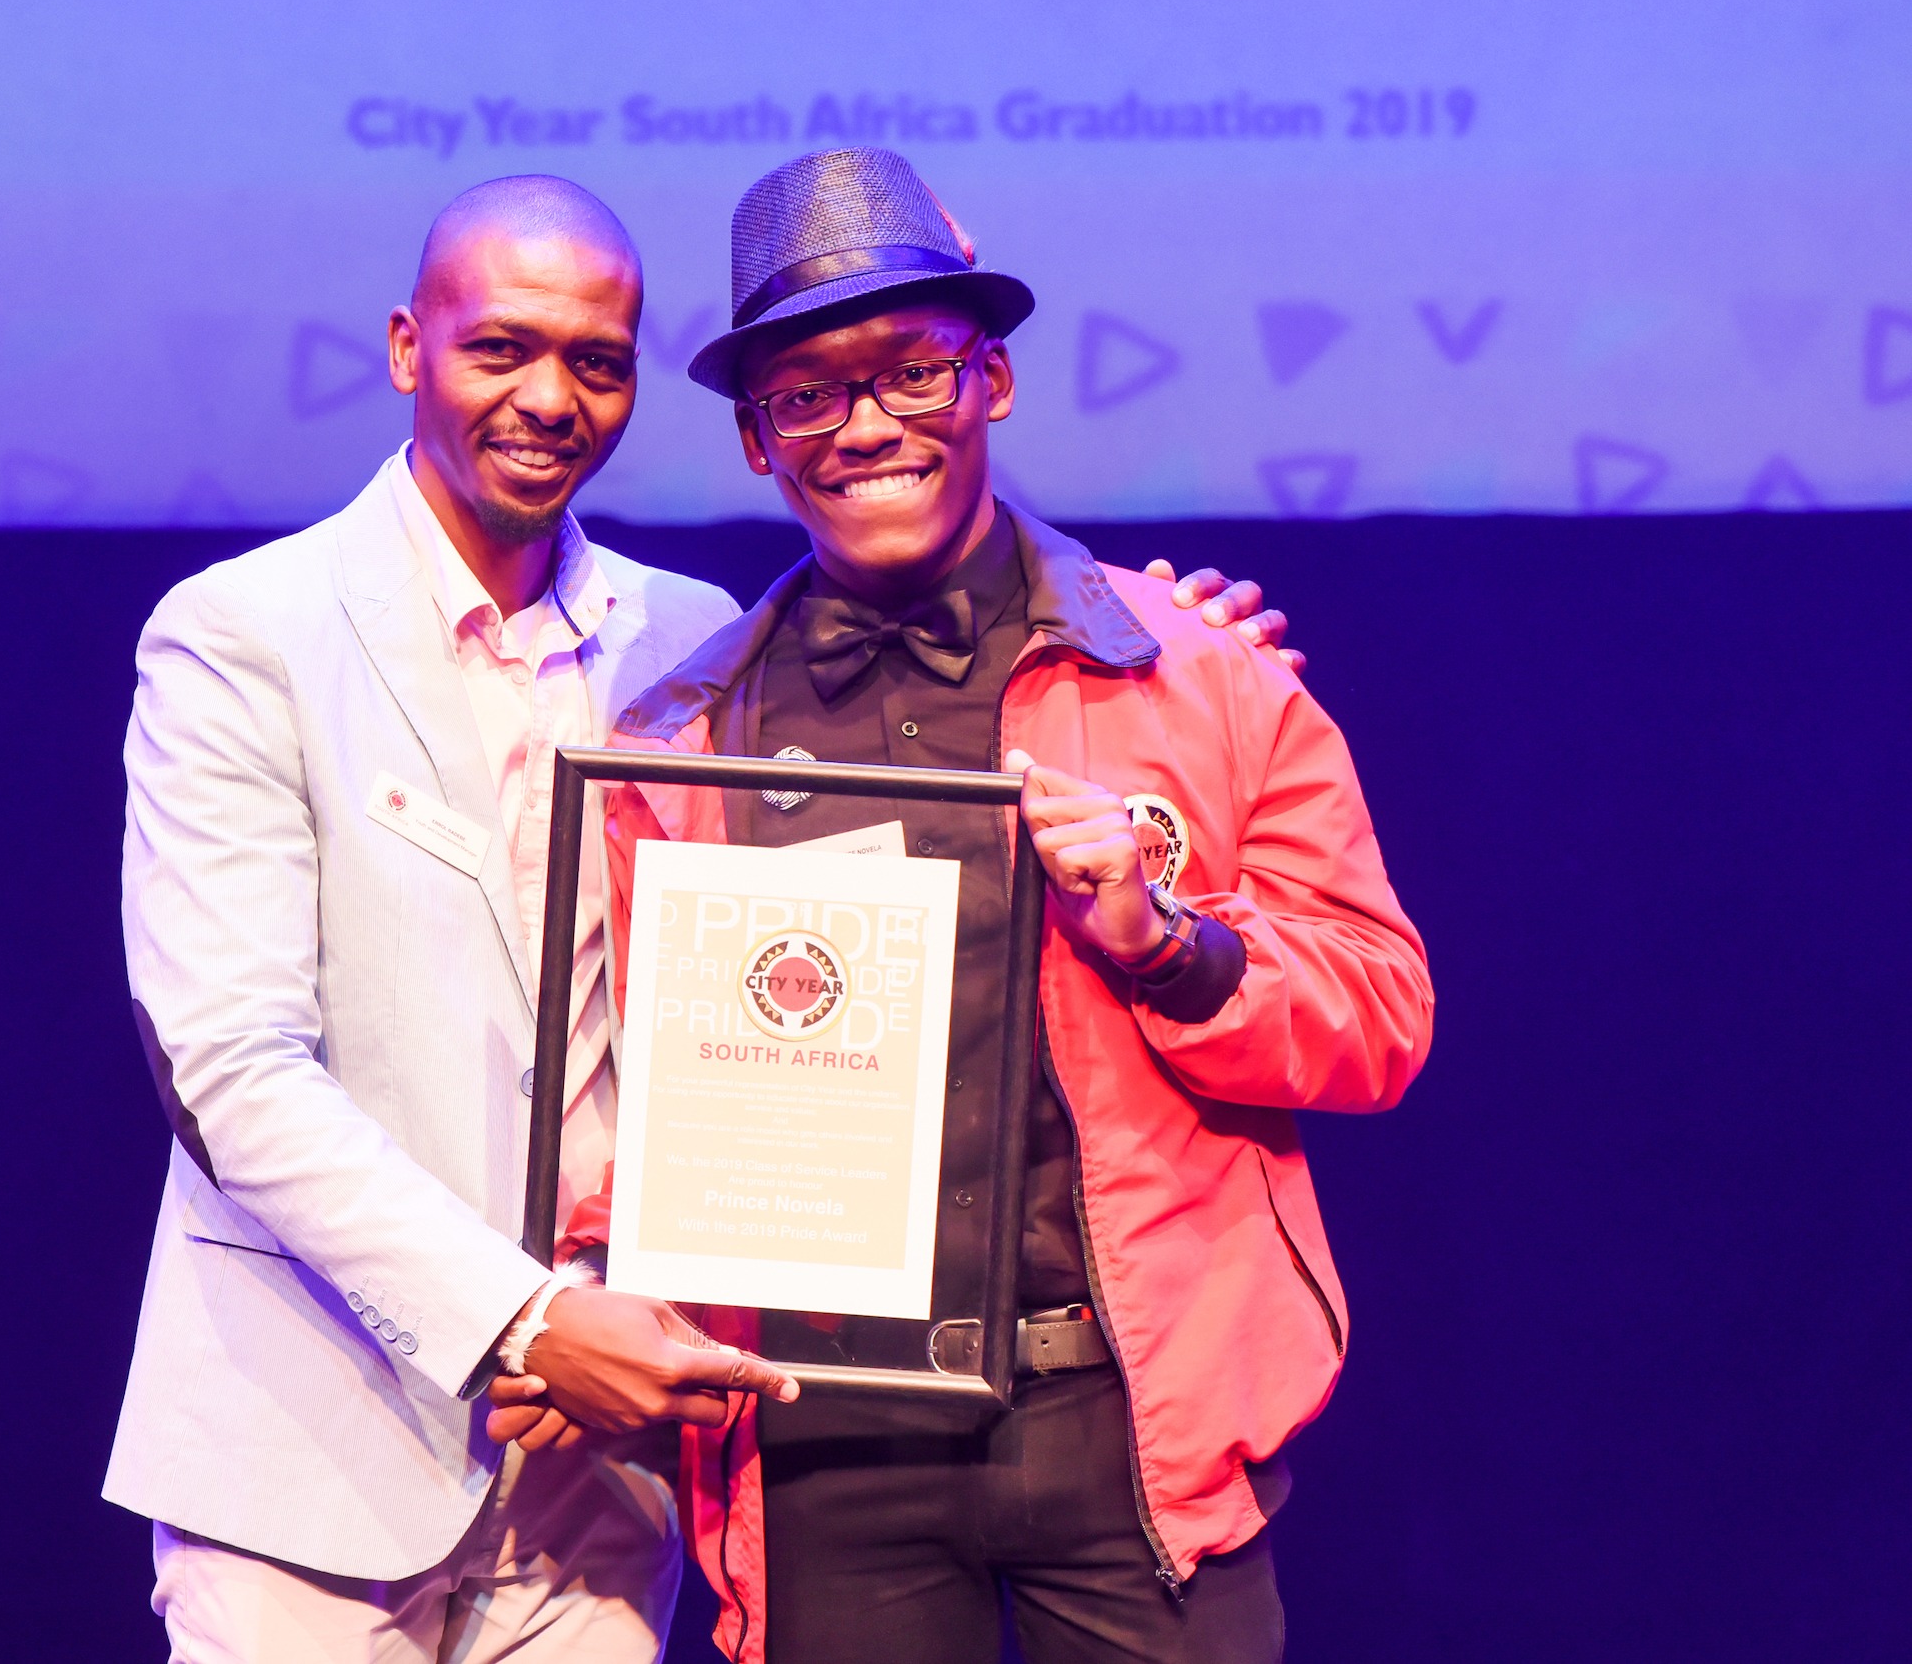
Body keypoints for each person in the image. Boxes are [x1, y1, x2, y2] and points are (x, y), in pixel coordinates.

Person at [105, 170, 1295, 1662]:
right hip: (323, 1433)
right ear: (411, 347)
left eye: (596, 363)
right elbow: (228, 1064)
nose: (549, 396)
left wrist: (1174, 647)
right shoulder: (243, 635)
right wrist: (520, 1318)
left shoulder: (688, 650)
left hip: (607, 1470)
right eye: (501, 350)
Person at [519, 147, 1434, 1663]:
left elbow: (1382, 1017)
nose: (867, 424)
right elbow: (652, 1104)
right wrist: (588, 1279)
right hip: (824, 1436)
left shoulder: (1193, 673)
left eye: (913, 373)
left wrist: (1172, 947)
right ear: (757, 442)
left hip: (1129, 1421)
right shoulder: (683, 740)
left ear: (992, 381)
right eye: (807, 393)